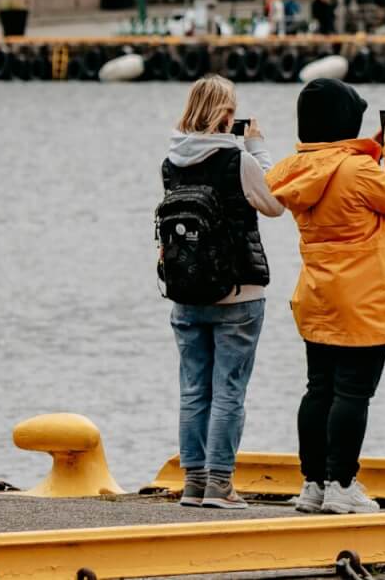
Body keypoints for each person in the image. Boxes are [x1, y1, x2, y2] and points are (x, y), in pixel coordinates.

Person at [267, 79, 385, 516]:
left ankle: (313, 483)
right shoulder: (359, 171)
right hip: (365, 298)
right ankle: (342, 484)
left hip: (318, 294)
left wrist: (365, 149)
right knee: (353, 393)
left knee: (319, 389)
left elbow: (333, 167)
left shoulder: (296, 169)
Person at [160, 75, 282, 510]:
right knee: (229, 390)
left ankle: (193, 483)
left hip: (186, 292)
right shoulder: (237, 159)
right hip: (238, 292)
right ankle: (219, 484)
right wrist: (258, 149)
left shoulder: (172, 161)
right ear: (225, 114)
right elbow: (275, 201)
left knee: (193, 389)